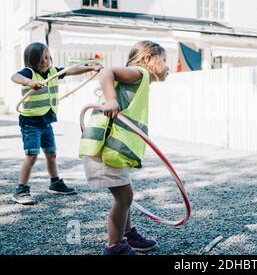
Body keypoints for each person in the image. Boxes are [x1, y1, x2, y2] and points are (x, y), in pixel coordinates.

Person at [79, 41, 169, 255]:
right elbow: (107, 72)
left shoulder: (139, 82)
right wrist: (110, 100)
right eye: (164, 60)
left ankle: (127, 235)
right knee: (124, 198)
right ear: (148, 59)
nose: (168, 67)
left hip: (113, 152)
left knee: (126, 195)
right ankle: (115, 247)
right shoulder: (139, 73)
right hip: (105, 150)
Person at [11, 42, 102, 205]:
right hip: (30, 122)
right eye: (42, 58)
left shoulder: (53, 72)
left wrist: (90, 68)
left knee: (51, 154)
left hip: (46, 121)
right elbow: (15, 77)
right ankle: (21, 189)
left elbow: (70, 70)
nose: (46, 61)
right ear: (32, 61)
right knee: (31, 155)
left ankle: (55, 183)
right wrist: (29, 82)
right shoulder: (29, 73)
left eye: (47, 57)